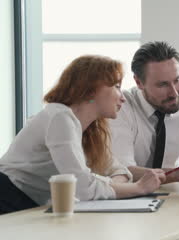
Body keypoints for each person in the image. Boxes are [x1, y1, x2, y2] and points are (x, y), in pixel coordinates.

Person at [0, 55, 165, 215]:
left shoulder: (91, 127)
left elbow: (118, 170)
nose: (123, 98)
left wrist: (105, 186)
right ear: (91, 90)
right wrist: (138, 188)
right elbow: (82, 188)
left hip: (30, 205)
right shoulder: (60, 118)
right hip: (8, 199)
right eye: (116, 86)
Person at [110, 41, 179, 184]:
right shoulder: (120, 108)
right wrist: (176, 175)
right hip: (128, 196)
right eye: (162, 84)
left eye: (177, 80)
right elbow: (122, 170)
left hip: (174, 196)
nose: (174, 93)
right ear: (139, 83)